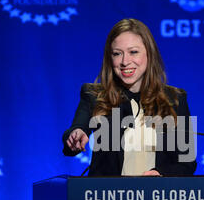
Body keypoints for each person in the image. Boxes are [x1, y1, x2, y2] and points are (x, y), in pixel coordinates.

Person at [62, 18, 196, 176]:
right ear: (109, 58)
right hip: (108, 197)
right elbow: (76, 131)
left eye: (133, 52)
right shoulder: (94, 95)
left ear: (149, 53)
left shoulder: (175, 99)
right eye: (117, 54)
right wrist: (76, 134)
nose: (125, 61)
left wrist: (161, 174)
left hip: (158, 197)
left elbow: (187, 163)